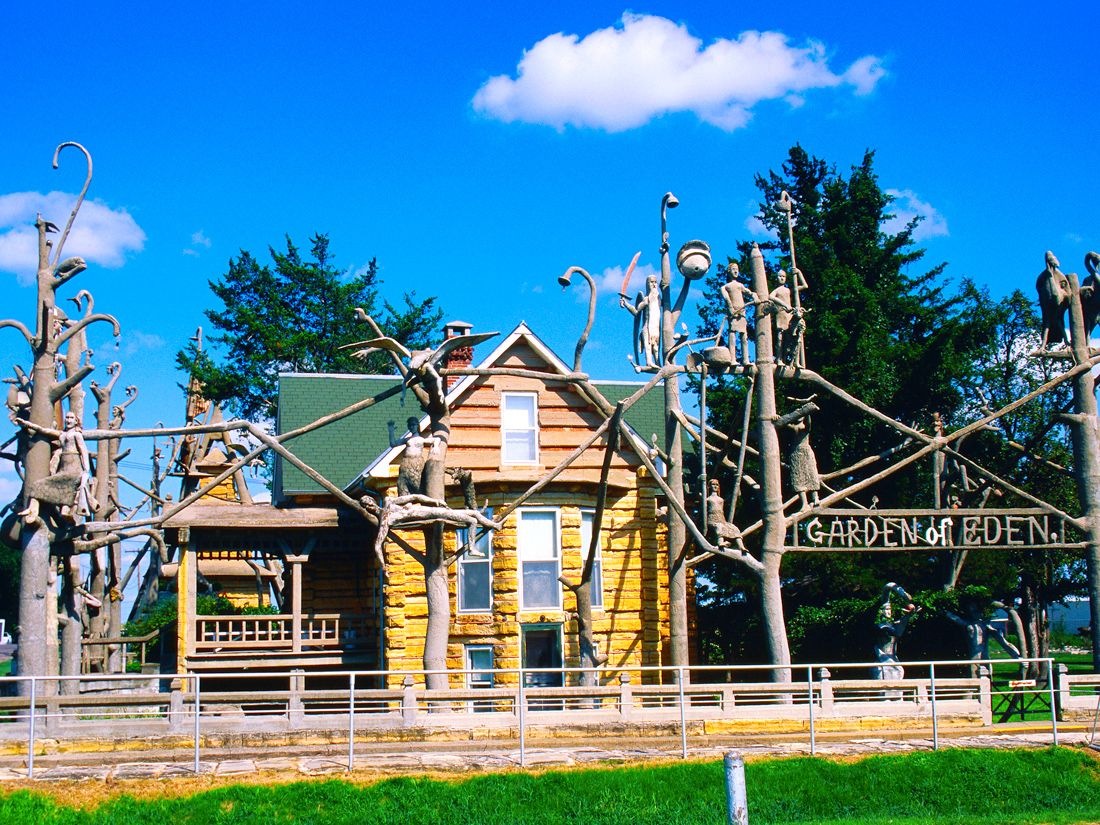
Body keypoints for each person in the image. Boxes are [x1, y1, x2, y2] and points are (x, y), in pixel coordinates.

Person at [944, 599, 1021, 678]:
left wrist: (1016, 656)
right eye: (971, 610)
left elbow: (1002, 641)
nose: (974, 613)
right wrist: (945, 611)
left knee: (986, 677)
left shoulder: (986, 626)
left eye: (975, 610)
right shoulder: (969, 625)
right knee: (974, 677)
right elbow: (956, 619)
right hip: (973, 659)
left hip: (984, 658)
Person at [872, 582, 919, 683]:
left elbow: (897, 629)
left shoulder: (893, 625)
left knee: (899, 672)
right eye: (886, 609)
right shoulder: (880, 626)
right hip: (882, 660)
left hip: (893, 659)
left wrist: (909, 613)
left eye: (889, 609)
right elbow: (894, 631)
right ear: (881, 611)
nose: (888, 612)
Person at [620, 274, 661, 367]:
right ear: (647, 284)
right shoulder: (646, 299)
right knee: (648, 347)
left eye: (655, 282)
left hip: (656, 329)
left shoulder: (659, 299)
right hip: (647, 329)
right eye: (651, 282)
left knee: (656, 348)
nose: (654, 285)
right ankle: (649, 362)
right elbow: (636, 312)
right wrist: (625, 303)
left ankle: (658, 363)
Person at [388, 416, 435, 497]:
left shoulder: (421, 439)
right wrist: (391, 431)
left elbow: (436, 439)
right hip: (406, 465)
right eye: (410, 425)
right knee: (402, 485)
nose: (411, 427)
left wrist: (436, 447)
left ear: (417, 425)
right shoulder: (407, 439)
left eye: (413, 425)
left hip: (417, 464)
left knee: (418, 486)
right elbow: (393, 444)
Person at [720, 264, 756, 366]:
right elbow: (726, 298)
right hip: (733, 312)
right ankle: (732, 359)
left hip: (742, 312)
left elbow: (748, 292)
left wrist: (754, 295)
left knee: (744, 336)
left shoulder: (740, 285)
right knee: (732, 334)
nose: (736, 271)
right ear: (729, 271)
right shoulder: (725, 287)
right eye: (733, 269)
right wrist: (730, 308)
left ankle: (745, 359)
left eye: (737, 269)